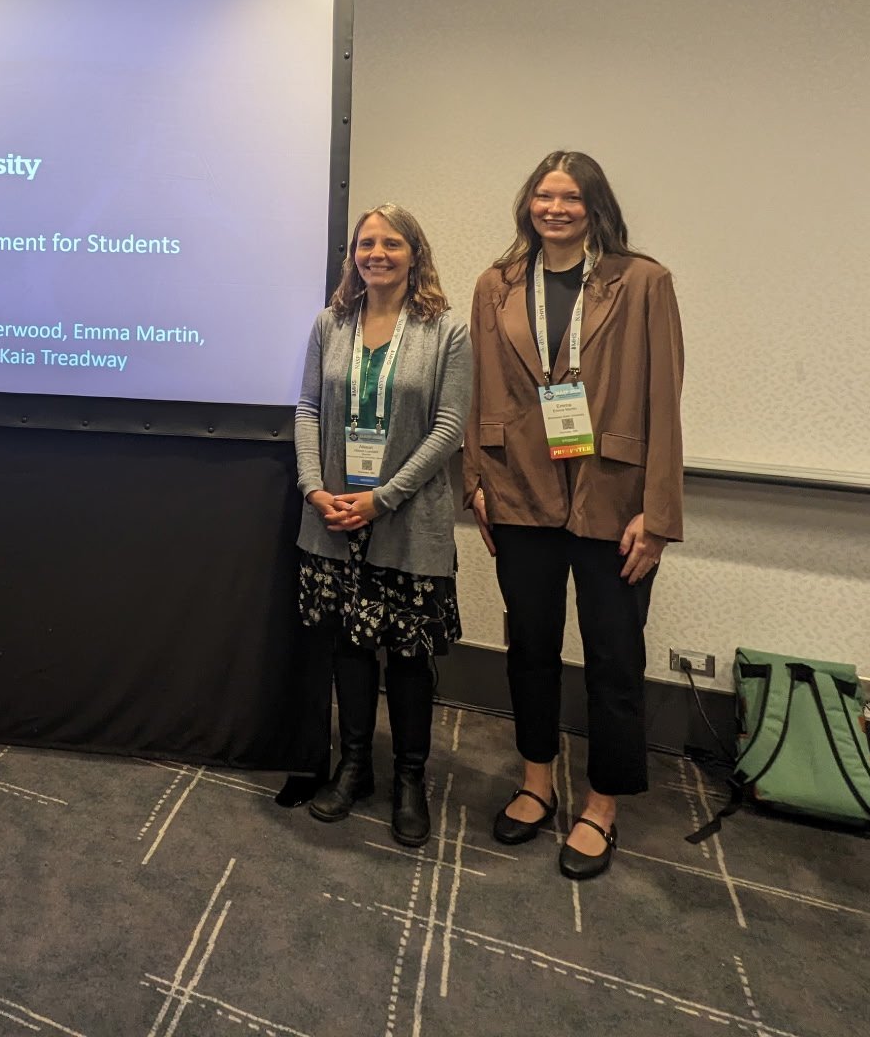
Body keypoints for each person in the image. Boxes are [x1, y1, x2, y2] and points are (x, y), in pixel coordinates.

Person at [463, 150, 684, 880]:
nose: (554, 208)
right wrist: (475, 482)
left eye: (570, 198)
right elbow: (479, 390)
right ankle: (535, 781)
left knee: (615, 657)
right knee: (529, 646)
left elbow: (665, 400)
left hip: (612, 497)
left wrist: (657, 514)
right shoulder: (496, 285)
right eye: (543, 195)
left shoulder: (642, 281)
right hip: (519, 489)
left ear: (595, 207)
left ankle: (602, 805)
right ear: (528, 204)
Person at [286, 204, 470, 847]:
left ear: (415, 254)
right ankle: (355, 765)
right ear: (353, 256)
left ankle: (410, 780)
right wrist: (314, 488)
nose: (377, 254)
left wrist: (382, 499)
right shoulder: (330, 322)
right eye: (366, 243)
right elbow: (308, 408)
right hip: (335, 516)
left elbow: (449, 428)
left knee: (410, 657)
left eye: (392, 243)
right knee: (350, 646)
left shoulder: (446, 330)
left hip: (406, 519)